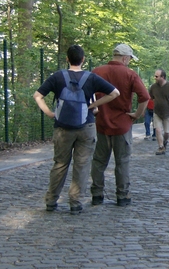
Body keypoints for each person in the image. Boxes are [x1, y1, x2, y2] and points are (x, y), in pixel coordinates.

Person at [34, 45, 119, 214]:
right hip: (86, 126)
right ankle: (75, 202)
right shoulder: (91, 78)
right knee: (82, 165)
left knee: (60, 164)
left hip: (62, 128)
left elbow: (38, 95)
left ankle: (51, 200)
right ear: (83, 59)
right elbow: (114, 93)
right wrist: (94, 105)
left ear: (67, 59)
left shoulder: (57, 77)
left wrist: (50, 113)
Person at [90, 44, 150, 207]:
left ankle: (97, 195)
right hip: (122, 125)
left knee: (98, 162)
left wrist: (94, 108)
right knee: (122, 161)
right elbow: (144, 97)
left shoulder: (97, 71)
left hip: (102, 123)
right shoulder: (130, 74)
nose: (129, 62)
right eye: (130, 59)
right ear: (124, 58)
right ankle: (122, 196)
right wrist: (137, 115)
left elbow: (86, 93)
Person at [149, 69, 169, 155]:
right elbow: (151, 97)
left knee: (167, 132)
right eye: (155, 76)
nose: (155, 78)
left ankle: (165, 141)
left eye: (157, 76)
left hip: (168, 113)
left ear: (163, 77)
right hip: (157, 112)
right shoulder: (153, 87)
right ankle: (161, 147)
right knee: (158, 130)